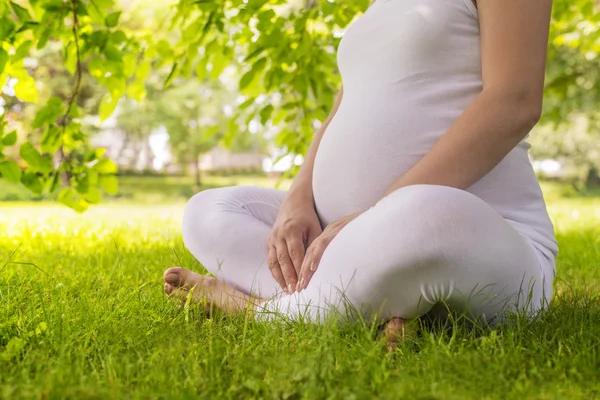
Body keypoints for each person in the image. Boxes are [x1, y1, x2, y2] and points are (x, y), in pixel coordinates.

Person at [163, 0, 557, 340]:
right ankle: (370, 300)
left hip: (474, 233)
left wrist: (375, 213)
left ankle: (261, 312)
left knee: (427, 215)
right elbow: (339, 114)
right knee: (209, 210)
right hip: (349, 236)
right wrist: (296, 203)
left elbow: (515, 101)